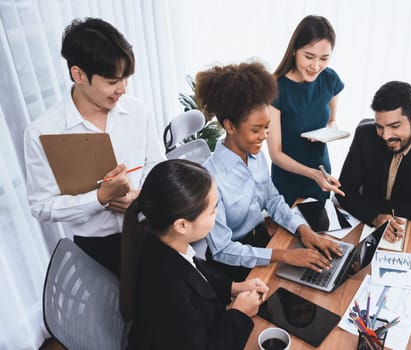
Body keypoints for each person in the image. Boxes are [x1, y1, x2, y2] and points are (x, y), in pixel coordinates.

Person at [24, 18, 164, 275]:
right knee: (123, 314)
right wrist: (98, 199)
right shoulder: (43, 132)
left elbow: (157, 165)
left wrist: (140, 197)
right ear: (78, 75)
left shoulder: (137, 111)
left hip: (150, 229)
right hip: (97, 250)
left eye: (126, 79)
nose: (122, 89)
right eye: (112, 81)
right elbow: (41, 206)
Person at [196, 61, 342, 282]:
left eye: (266, 127)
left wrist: (304, 230)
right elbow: (223, 249)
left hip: (265, 240)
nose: (264, 136)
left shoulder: (255, 156)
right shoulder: (210, 178)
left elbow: (273, 200)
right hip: (234, 264)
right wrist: (284, 256)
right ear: (230, 126)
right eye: (256, 129)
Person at [120, 159, 268, 349]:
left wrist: (234, 287)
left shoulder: (163, 243)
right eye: (213, 210)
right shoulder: (167, 289)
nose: (218, 213)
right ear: (182, 225)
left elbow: (199, 280)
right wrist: (239, 313)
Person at [336, 81, 411, 242]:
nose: (386, 135)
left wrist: (367, 203)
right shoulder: (365, 134)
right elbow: (344, 190)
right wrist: (375, 217)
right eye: (380, 126)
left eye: (394, 126)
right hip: (369, 222)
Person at [268, 15, 345, 206]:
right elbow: (276, 154)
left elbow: (332, 121)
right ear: (294, 50)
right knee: (287, 234)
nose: (316, 66)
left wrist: (327, 132)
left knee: (322, 231)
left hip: (321, 172)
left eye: (324, 58)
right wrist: (313, 174)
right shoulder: (276, 88)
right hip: (288, 180)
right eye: (309, 56)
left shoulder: (329, 79)